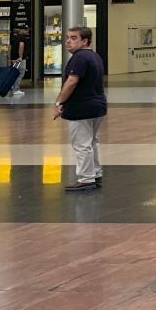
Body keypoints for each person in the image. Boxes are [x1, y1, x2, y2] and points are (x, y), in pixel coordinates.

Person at [53, 26, 107, 191]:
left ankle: (86, 178)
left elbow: (72, 81)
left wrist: (59, 103)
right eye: (68, 37)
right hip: (97, 106)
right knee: (91, 142)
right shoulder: (94, 56)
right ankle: (95, 173)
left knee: (81, 144)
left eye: (74, 38)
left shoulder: (79, 58)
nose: (68, 41)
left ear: (85, 41)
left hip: (81, 107)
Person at [9, 25, 28, 96]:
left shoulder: (14, 37)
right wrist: (20, 56)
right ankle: (15, 89)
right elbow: (21, 45)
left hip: (14, 58)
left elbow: (10, 47)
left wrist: (10, 58)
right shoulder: (22, 37)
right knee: (20, 73)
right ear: (22, 30)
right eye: (26, 30)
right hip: (20, 59)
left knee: (14, 73)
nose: (27, 31)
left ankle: (12, 86)